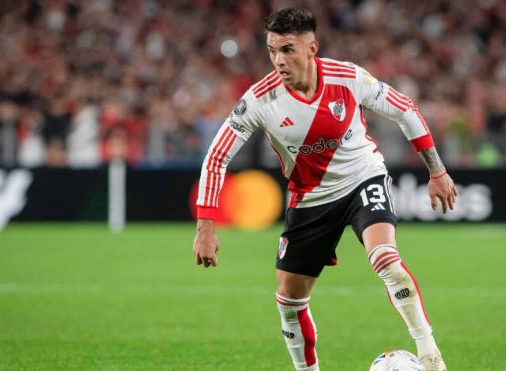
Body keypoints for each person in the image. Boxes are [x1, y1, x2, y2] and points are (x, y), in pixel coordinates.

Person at [193, 8, 456, 371]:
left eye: (287, 50)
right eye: (271, 51)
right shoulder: (259, 100)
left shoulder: (347, 77)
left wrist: (437, 170)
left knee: (385, 259)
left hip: (362, 177)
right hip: (310, 199)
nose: (278, 61)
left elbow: (404, 109)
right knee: (289, 302)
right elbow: (216, 157)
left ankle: (430, 355)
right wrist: (205, 225)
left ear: (311, 48)